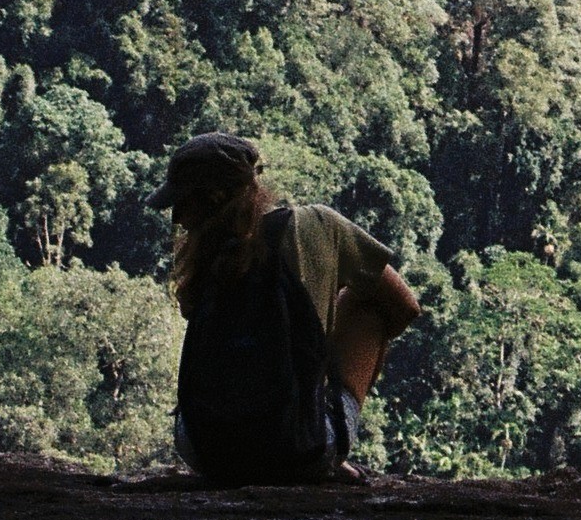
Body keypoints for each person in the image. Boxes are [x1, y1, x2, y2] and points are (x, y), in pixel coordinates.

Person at [165, 132, 420, 484]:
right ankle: (326, 442)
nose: (177, 217)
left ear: (214, 198)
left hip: (205, 451)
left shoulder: (202, 258)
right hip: (294, 451)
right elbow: (404, 305)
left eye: (183, 203)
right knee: (367, 305)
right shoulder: (317, 224)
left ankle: (315, 432)